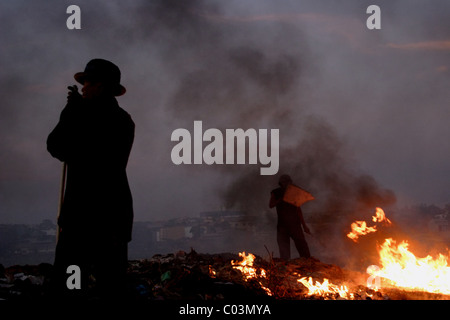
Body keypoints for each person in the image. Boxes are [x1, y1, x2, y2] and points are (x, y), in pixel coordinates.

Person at [47, 59, 135, 299]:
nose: (84, 87)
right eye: (84, 83)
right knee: (104, 285)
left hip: (89, 215)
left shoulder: (114, 121)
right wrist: (74, 114)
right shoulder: (122, 119)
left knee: (78, 285)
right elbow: (58, 147)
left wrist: (73, 114)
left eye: (90, 83)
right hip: (108, 216)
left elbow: (64, 148)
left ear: (103, 87)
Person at [269, 174, 311, 260]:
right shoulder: (276, 192)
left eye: (287, 182)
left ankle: (307, 263)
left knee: (303, 247)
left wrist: (304, 226)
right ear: (281, 183)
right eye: (284, 182)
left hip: (295, 224)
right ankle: (285, 267)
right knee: (284, 251)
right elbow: (271, 205)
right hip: (282, 226)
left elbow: (298, 210)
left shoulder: (293, 193)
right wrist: (279, 200)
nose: (286, 183)